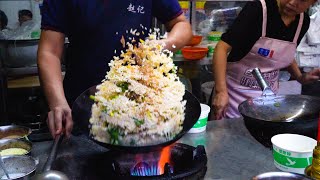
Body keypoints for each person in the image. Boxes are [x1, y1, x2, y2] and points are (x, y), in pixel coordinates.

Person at [37, 0, 192, 138]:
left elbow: (182, 25)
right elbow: (49, 51)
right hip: (82, 107)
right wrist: (57, 102)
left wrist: (161, 45)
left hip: (141, 104)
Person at [211, 0, 320, 120]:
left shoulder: (302, 22)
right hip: (232, 97)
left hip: (267, 102)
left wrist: (300, 77)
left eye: (302, 0)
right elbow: (222, 48)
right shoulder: (258, 9)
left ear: (312, 3)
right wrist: (221, 91)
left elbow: (284, 54)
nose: (293, 2)